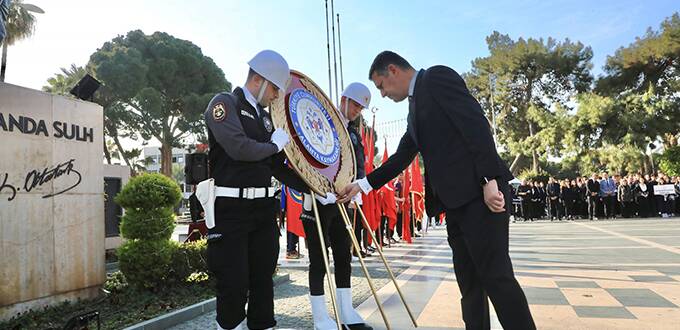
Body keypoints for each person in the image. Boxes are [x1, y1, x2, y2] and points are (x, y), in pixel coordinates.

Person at [339, 51, 535, 330]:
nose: (381, 94)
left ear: (393, 70)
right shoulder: (414, 110)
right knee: (469, 284)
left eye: (381, 85)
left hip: (481, 196)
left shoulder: (437, 78)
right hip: (455, 205)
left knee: (496, 277)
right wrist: (363, 184)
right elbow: (401, 157)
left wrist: (489, 178)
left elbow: (475, 124)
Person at [202, 50, 310, 330]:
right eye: (275, 88)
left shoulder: (265, 119)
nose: (275, 96)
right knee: (233, 282)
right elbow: (238, 148)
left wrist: (315, 187)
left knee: (263, 279)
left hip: (263, 210)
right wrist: (274, 145)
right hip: (231, 210)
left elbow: (276, 166)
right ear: (259, 80)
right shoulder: (225, 103)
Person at [300, 82, 373, 330]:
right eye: (355, 104)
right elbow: (307, 158)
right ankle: (320, 316)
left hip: (343, 202)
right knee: (319, 260)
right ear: (343, 99)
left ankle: (346, 311)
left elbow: (358, 163)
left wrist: (357, 189)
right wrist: (318, 189)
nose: (357, 111)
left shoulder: (353, 132)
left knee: (344, 255)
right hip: (318, 201)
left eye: (361, 108)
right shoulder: (321, 120)